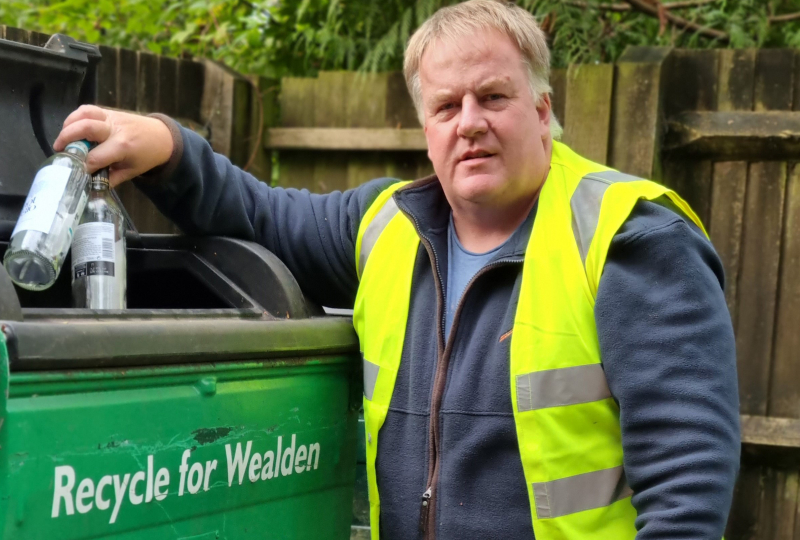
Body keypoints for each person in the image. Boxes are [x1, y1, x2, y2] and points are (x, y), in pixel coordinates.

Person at [54, 1, 740, 538]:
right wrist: (170, 146)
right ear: (426, 128)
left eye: (493, 97)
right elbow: (259, 216)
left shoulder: (630, 238)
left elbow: (687, 489)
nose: (469, 122)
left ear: (541, 111)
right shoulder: (388, 227)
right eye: (446, 106)